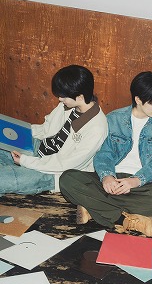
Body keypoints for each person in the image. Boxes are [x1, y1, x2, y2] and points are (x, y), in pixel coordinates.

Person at [60, 71, 152, 237]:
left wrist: (136, 180)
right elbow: (104, 153)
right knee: (67, 179)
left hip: (141, 186)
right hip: (112, 179)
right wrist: (107, 176)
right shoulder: (114, 119)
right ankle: (126, 219)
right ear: (138, 99)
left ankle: (94, 209)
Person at [0, 64, 108, 196]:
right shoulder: (68, 105)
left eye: (63, 96)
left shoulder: (97, 128)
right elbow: (46, 129)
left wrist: (25, 161)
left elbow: (65, 164)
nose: (60, 99)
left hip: (54, 171)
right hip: (39, 148)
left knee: (3, 180)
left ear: (80, 97)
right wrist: (21, 133)